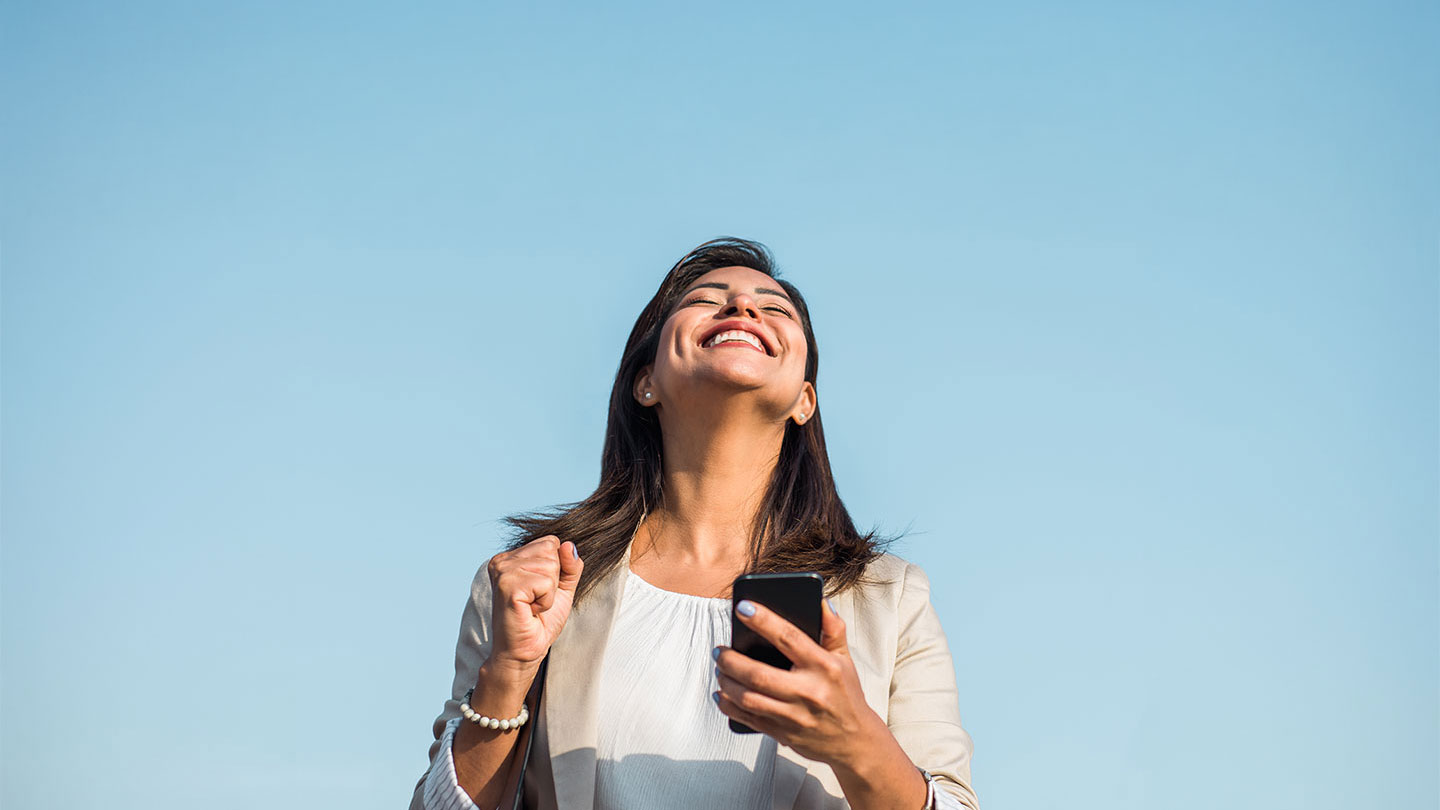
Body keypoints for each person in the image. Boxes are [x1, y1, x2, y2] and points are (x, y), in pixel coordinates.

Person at [409, 238, 980, 810]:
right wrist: (508, 673)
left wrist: (857, 743)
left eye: (773, 308)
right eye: (708, 299)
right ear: (645, 381)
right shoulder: (533, 586)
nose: (743, 309)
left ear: (804, 400)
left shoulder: (889, 597)